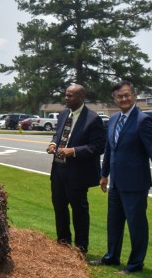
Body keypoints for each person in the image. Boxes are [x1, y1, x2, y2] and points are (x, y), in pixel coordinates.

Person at [92, 81, 152, 273]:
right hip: (116, 183)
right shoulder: (114, 119)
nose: (124, 99)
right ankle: (112, 257)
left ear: (134, 96)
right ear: (115, 100)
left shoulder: (143, 120)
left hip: (135, 184)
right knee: (114, 222)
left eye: (127, 95)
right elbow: (110, 149)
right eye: (120, 96)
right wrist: (104, 174)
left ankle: (135, 264)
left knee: (136, 225)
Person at [45, 84, 106, 253]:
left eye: (70, 95)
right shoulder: (64, 113)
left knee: (79, 211)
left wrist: (74, 151)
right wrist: (52, 143)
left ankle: (80, 248)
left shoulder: (93, 119)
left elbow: (99, 146)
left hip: (78, 174)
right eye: (66, 95)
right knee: (59, 207)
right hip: (58, 171)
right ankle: (63, 243)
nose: (66, 98)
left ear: (81, 98)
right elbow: (58, 134)